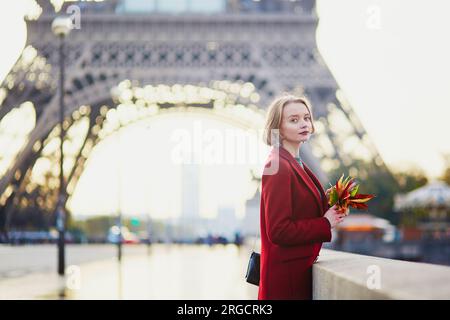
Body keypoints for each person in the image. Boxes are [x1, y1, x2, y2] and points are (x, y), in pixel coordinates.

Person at [258, 94, 347, 300]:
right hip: (287, 282)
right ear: (277, 128)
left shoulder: (294, 163)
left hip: (295, 273)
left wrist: (333, 205)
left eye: (306, 118)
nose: (304, 124)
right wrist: (325, 222)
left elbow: (299, 206)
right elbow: (279, 231)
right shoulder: (278, 166)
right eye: (294, 120)